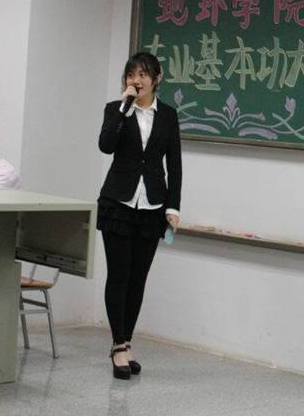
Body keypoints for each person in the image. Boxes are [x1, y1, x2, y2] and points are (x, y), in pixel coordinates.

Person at [98, 52, 181, 380]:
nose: (137, 79)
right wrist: (124, 107)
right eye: (131, 74)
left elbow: (174, 164)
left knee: (138, 278)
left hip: (152, 206)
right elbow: (106, 145)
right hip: (118, 204)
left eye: (143, 74)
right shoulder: (115, 109)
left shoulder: (168, 115)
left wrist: (173, 206)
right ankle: (118, 345)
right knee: (118, 275)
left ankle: (126, 341)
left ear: (157, 78)